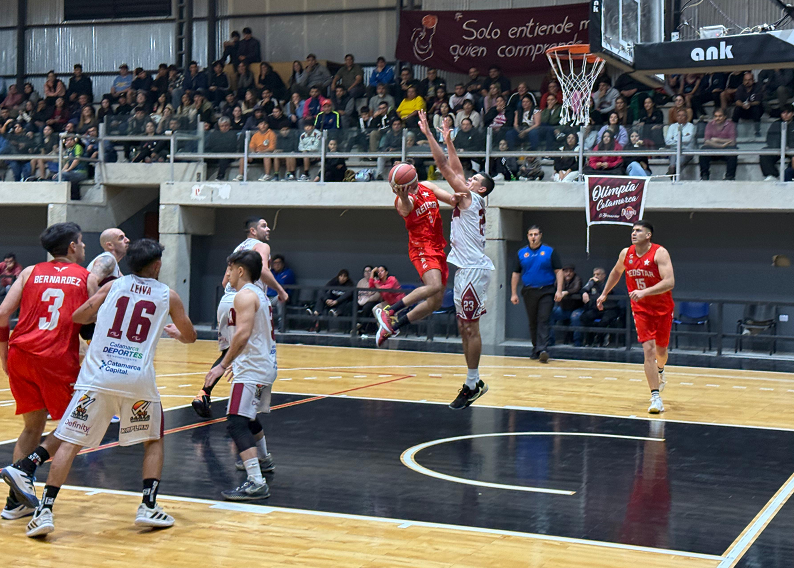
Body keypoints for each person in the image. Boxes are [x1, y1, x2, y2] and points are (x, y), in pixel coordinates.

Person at [24, 239, 196, 537]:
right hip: (137, 379)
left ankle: (45, 511)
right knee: (153, 439)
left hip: (98, 376)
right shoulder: (168, 295)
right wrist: (177, 335)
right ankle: (148, 506)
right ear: (157, 265)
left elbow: (79, 316)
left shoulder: (113, 286)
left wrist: (100, 315)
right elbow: (190, 335)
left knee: (70, 441)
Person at [0, 223, 98, 521]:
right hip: (55, 359)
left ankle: (16, 502)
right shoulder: (86, 277)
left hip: (20, 354)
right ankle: (26, 468)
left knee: (32, 427)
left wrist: (3, 354)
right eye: (81, 242)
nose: (84, 247)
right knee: (75, 424)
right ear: (72, 246)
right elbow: (94, 325)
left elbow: (3, 312)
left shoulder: (29, 272)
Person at [416, 110, 495, 409]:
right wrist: (449, 140)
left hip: (473, 270)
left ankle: (473, 384)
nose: (468, 179)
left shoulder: (471, 198)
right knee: (464, 326)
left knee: (470, 328)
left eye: (474, 179)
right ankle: (472, 382)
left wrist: (429, 136)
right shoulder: (470, 197)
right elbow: (457, 169)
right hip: (466, 269)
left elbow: (444, 168)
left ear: (481, 188)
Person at [192, 218, 288, 419]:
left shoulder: (238, 250)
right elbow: (263, 270)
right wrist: (280, 290)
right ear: (253, 230)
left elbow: (224, 281)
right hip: (246, 298)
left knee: (230, 350)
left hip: (227, 300)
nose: (268, 229)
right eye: (263, 226)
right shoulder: (261, 246)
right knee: (251, 345)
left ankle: (204, 393)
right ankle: (244, 403)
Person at [204, 250, 276, 500]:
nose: (229, 274)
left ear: (240, 270)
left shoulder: (244, 295)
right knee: (248, 416)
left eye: (230, 269)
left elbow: (243, 334)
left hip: (252, 368)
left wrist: (222, 364)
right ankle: (264, 460)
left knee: (236, 422)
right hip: (262, 364)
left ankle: (256, 481)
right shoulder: (260, 294)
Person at [372, 157, 451, 348]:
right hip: (421, 247)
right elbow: (406, 207)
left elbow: (451, 199)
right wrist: (404, 196)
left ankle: (392, 327)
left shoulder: (427, 186)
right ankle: (389, 311)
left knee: (435, 303)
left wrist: (462, 196)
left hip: (438, 247)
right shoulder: (402, 201)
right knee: (434, 285)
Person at [597, 221, 675, 414]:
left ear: (648, 235)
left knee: (661, 351)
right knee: (648, 350)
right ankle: (655, 397)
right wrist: (604, 293)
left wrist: (645, 292)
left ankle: (661, 368)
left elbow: (669, 282)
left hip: (662, 308)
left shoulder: (659, 253)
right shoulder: (626, 253)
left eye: (638, 230)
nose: (634, 233)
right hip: (640, 309)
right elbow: (616, 272)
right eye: (633, 230)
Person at [510, 225, 564, 362]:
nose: (533, 237)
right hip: (529, 291)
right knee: (533, 321)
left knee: (543, 319)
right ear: (527, 236)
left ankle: (543, 349)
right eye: (531, 235)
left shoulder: (549, 251)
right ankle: (536, 348)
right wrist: (513, 293)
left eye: (536, 234)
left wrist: (559, 290)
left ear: (540, 235)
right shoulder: (521, 253)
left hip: (546, 290)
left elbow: (559, 271)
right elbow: (516, 273)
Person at [579, 267, 622, 347]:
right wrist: (584, 293)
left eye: (598, 274)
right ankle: (589, 341)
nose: (595, 276)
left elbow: (607, 290)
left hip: (610, 308)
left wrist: (598, 283)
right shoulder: (592, 283)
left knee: (604, 320)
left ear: (604, 275)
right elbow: (583, 289)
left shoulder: (609, 283)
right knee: (585, 317)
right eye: (594, 274)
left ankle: (601, 340)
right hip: (597, 308)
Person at [549, 264, 584, 347]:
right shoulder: (559, 280)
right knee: (549, 314)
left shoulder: (577, 278)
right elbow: (555, 287)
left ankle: (577, 342)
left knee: (575, 317)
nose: (568, 273)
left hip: (576, 308)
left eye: (570, 271)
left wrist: (566, 292)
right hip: (563, 309)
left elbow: (576, 288)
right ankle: (550, 340)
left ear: (573, 272)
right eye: (566, 271)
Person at [699, 108, 737, 181]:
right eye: (716, 116)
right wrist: (721, 145)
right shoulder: (709, 125)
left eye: (720, 116)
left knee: (733, 151)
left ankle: (730, 177)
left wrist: (717, 140)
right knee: (703, 150)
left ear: (725, 116)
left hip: (726, 150)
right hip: (714, 149)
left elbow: (733, 141)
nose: (717, 118)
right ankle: (704, 176)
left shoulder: (731, 125)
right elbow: (707, 141)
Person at [760, 104, 794, 181]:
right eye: (783, 113)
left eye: (788, 113)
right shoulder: (776, 124)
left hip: (792, 149)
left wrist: (790, 147)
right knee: (764, 153)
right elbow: (770, 138)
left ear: (792, 114)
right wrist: (777, 147)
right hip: (778, 149)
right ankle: (772, 175)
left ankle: (790, 175)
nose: (785, 115)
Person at [664, 108, 696, 176]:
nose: (680, 117)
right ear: (676, 117)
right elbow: (668, 141)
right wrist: (681, 138)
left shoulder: (691, 126)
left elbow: (688, 139)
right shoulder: (672, 126)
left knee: (678, 161)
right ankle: (673, 169)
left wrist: (674, 138)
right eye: (679, 115)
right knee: (673, 154)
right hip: (674, 150)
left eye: (683, 115)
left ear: (686, 117)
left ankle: (672, 171)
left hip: (686, 151)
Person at [732, 72, 763, 137]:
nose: (747, 82)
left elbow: (758, 101)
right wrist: (742, 105)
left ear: (753, 80)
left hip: (753, 110)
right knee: (737, 109)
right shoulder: (740, 87)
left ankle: (757, 131)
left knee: (756, 108)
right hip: (744, 110)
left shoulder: (757, 87)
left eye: (749, 80)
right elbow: (737, 101)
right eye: (745, 80)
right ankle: (733, 130)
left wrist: (749, 104)